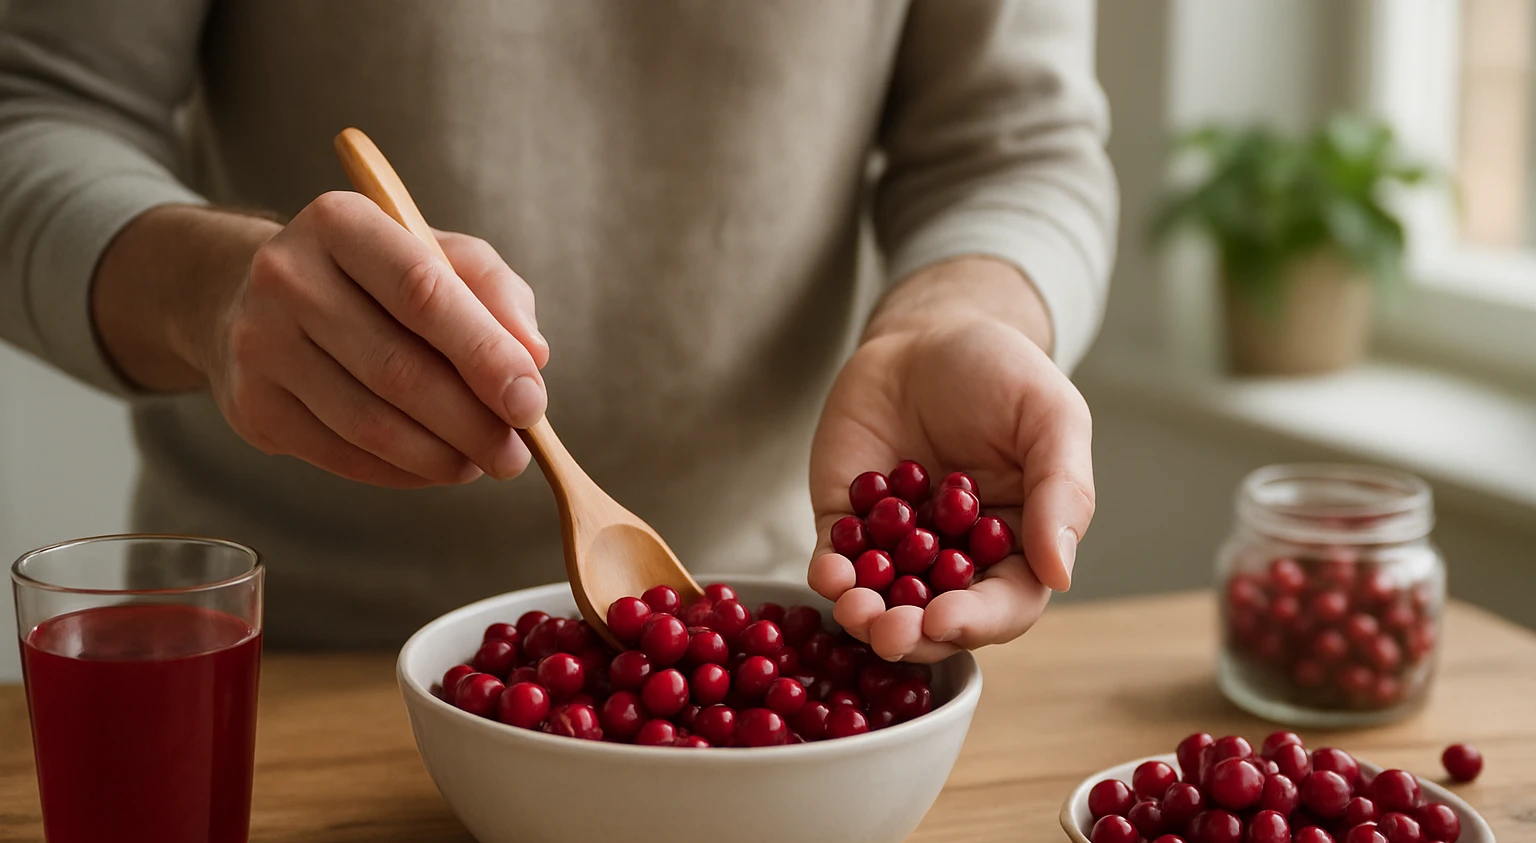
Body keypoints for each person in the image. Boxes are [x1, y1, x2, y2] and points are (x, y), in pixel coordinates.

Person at [0, 1, 1116, 662]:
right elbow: (30, 109)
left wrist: (949, 320)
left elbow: (1013, 144)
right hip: (269, 657)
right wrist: (209, 291)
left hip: (796, 614)